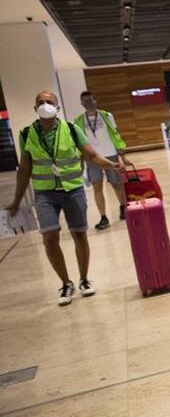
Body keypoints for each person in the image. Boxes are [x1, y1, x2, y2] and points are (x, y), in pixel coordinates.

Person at [4, 90, 122, 305]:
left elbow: (92, 155)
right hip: (45, 194)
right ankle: (66, 283)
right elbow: (24, 170)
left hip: (73, 190)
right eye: (40, 102)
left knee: (79, 235)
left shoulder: (71, 129)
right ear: (35, 108)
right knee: (49, 238)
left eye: (49, 101)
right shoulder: (26, 134)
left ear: (57, 107)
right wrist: (17, 200)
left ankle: (84, 280)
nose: (45, 104)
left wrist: (113, 164)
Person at [74, 90, 128, 230]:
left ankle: (123, 207)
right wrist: (80, 162)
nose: (88, 102)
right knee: (97, 186)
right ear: (81, 103)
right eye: (84, 100)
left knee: (116, 183)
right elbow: (79, 144)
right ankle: (103, 217)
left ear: (95, 100)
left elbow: (115, 135)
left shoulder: (106, 116)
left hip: (110, 155)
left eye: (90, 99)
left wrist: (122, 156)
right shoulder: (78, 121)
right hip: (92, 158)